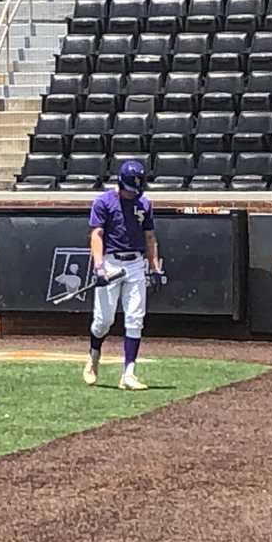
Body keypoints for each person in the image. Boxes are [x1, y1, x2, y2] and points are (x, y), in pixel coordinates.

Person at [84, 160, 165, 390]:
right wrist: (98, 266)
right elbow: (97, 234)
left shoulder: (144, 204)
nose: (132, 194)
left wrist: (154, 266)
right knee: (103, 320)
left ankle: (129, 373)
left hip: (135, 263)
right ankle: (94, 354)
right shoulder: (104, 202)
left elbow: (150, 237)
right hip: (110, 261)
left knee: (135, 317)